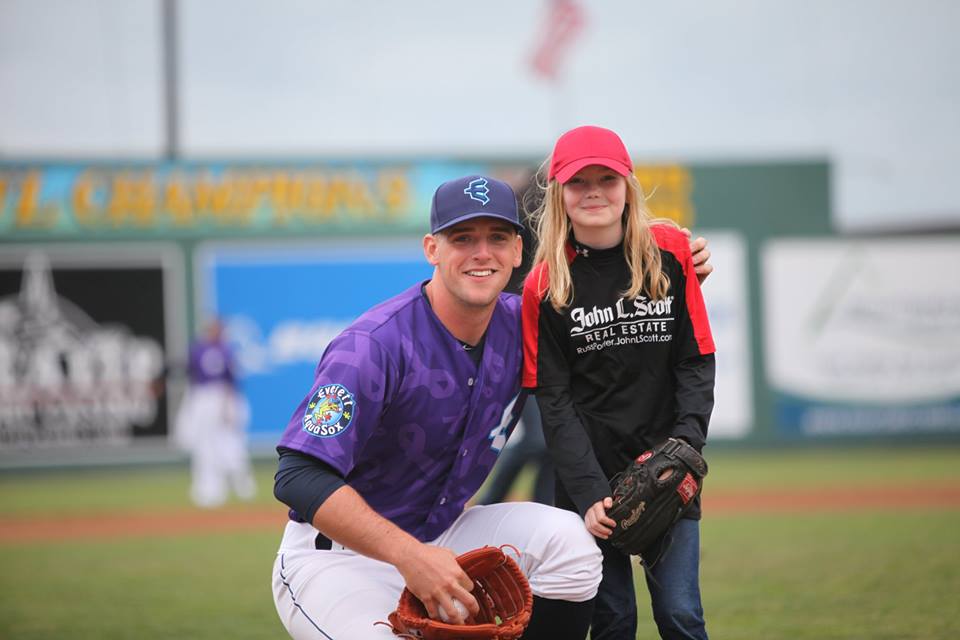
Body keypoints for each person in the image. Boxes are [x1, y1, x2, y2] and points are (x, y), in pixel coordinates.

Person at [271, 175, 604, 640]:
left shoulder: (527, 326)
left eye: (497, 238)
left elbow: (614, 326)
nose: (481, 253)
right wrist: (411, 557)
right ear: (432, 249)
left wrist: (676, 272)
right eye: (462, 238)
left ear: (516, 252)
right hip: (338, 558)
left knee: (570, 543)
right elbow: (298, 476)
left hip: (445, 535)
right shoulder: (372, 346)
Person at [521, 126, 716, 640]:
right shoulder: (545, 283)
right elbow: (555, 402)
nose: (593, 191)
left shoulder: (670, 252)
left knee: (680, 614)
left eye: (606, 178)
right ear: (559, 193)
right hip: (592, 486)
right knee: (612, 620)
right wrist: (588, 495)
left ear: (627, 184)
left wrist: (686, 450)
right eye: (577, 180)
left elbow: (696, 361)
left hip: (669, 473)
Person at [173, 317, 256, 508]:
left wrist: (228, 406)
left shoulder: (223, 350)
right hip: (204, 397)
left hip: (219, 397)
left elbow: (231, 381)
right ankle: (211, 489)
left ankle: (237, 486)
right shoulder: (202, 349)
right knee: (207, 446)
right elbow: (191, 377)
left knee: (228, 444)